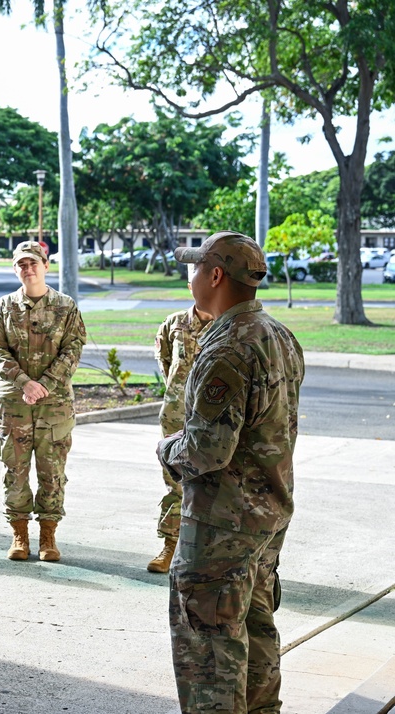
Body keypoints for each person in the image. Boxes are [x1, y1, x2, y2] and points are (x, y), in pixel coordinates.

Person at [157, 231, 304, 714]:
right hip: (267, 517)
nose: (191, 276)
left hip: (222, 529)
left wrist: (166, 449)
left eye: (195, 267)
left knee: (210, 653)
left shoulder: (226, 348)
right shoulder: (278, 335)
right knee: (257, 633)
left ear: (215, 275)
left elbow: (207, 451)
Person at [0, 241, 86, 562]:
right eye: (21, 265)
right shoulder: (3, 307)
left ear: (45, 266)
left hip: (53, 404)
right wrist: (24, 381)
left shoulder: (65, 307)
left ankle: (48, 536)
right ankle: (19, 535)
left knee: (52, 470)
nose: (28, 270)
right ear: (15, 269)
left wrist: (44, 383)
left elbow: (73, 348)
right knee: (14, 469)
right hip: (14, 402)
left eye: (33, 264)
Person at [147, 304, 212, 573]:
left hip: (211, 414)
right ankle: (170, 546)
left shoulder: (226, 324)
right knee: (175, 483)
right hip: (175, 414)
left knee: (211, 483)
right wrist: (177, 391)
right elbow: (164, 359)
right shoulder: (174, 322)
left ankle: (205, 555)